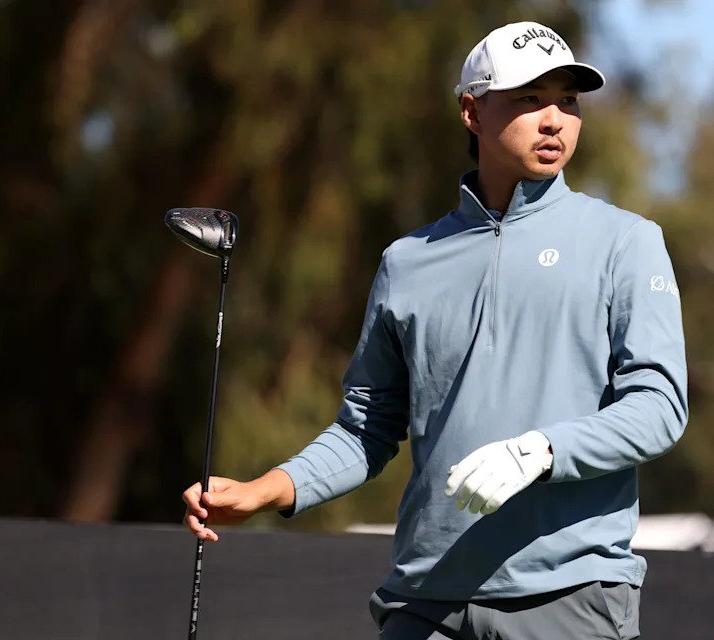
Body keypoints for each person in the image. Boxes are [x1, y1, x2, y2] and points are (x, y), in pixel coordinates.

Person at [182, 20, 688, 640]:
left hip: (569, 597)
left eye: (568, 100)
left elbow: (659, 407)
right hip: (425, 602)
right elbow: (368, 426)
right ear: (472, 113)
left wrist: (542, 450)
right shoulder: (409, 261)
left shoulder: (626, 243)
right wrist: (266, 491)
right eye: (529, 99)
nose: (554, 119)